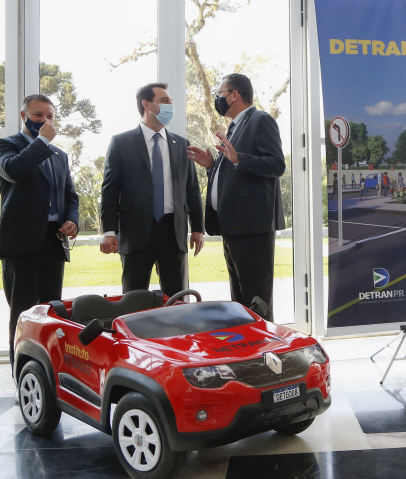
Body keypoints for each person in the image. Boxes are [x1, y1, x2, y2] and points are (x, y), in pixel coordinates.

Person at [0, 94, 79, 370]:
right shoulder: (4, 145)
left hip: (53, 242)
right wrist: (42, 141)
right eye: (38, 115)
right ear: (23, 115)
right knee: (23, 315)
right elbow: (13, 170)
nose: (44, 120)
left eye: (50, 116)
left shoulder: (60, 155)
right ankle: (22, 378)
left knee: (52, 314)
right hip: (20, 244)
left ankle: (47, 375)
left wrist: (71, 220)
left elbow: (70, 195)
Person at [187, 73, 285, 321]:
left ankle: (265, 353)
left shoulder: (260, 120)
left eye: (220, 94)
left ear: (234, 95)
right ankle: (247, 354)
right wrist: (212, 165)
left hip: (253, 228)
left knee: (256, 301)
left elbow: (276, 165)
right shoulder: (235, 127)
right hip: (234, 227)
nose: (217, 100)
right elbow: (234, 170)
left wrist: (238, 158)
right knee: (240, 302)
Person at [100, 83, 204, 296]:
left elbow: (192, 189)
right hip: (135, 233)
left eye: (171, 101)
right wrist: (109, 231)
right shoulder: (121, 142)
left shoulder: (182, 144)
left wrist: (197, 228)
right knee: (133, 300)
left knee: (178, 301)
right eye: (164, 101)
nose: (170, 106)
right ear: (146, 104)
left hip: (173, 233)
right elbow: (110, 190)